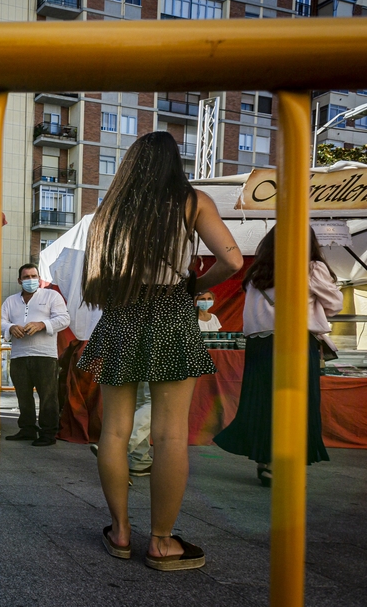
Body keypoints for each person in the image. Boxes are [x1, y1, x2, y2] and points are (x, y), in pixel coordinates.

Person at [79, 131, 242, 570]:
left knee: (113, 431)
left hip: (123, 313)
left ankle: (120, 531)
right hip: (170, 311)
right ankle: (162, 542)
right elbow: (232, 261)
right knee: (170, 435)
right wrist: (195, 286)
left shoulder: (108, 212)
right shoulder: (193, 201)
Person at [213, 227, 341, 486]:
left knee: (262, 402)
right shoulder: (311, 267)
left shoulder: (255, 274)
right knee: (296, 403)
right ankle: (285, 465)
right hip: (295, 343)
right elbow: (335, 304)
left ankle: (266, 461)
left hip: (260, 344)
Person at [0, 263, 70, 446]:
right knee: (23, 395)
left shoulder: (51, 296)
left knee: (47, 395)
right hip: (18, 355)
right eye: (26, 277)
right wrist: (10, 327)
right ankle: (27, 429)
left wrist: (42, 324)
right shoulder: (10, 301)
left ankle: (48, 433)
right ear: (19, 280)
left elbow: (64, 318)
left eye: (34, 276)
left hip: (45, 355)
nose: (31, 280)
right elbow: (0, 321)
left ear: (39, 279)